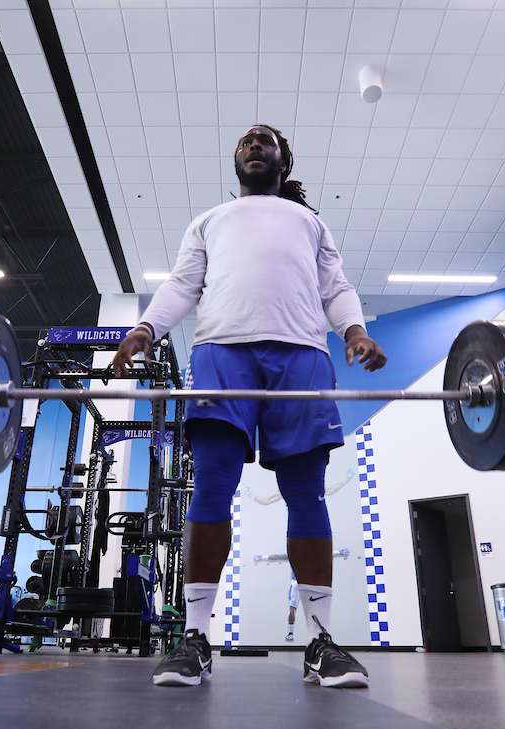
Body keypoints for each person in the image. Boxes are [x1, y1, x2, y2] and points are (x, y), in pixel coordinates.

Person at [113, 125, 387, 688]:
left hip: (302, 356)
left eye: (267, 140)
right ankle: (195, 639)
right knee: (212, 484)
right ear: (236, 160)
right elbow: (182, 285)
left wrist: (354, 332)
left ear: (284, 159)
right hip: (221, 354)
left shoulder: (309, 222)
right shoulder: (210, 221)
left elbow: (335, 288)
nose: (256, 144)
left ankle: (321, 642)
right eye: (246, 141)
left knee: (305, 493)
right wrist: (146, 326)